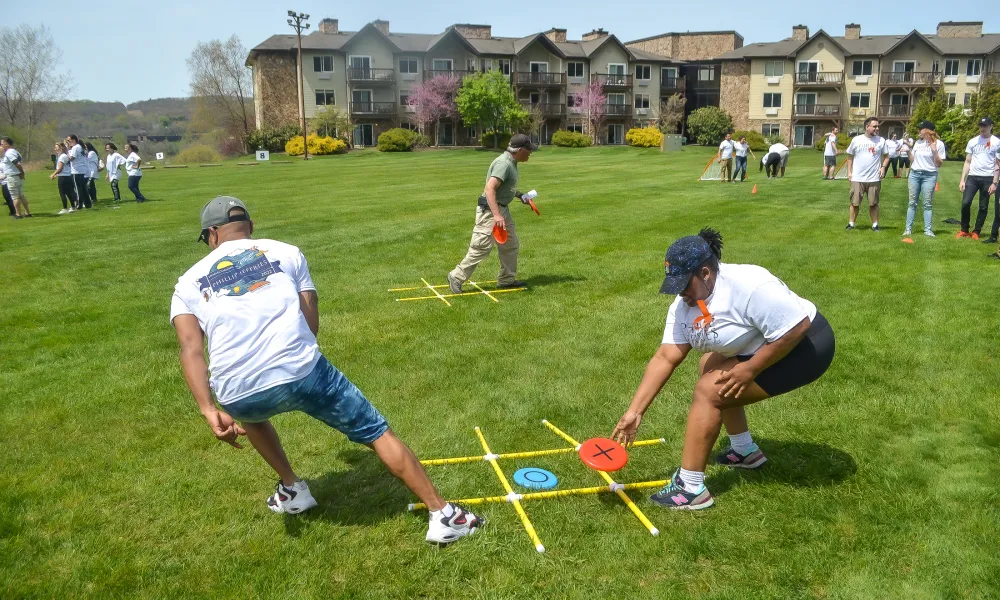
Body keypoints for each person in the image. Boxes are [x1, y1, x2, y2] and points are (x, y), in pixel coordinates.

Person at [171, 196, 485, 545]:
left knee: (253, 417)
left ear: (212, 234)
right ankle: (444, 515)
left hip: (236, 393)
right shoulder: (287, 251)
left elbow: (190, 348)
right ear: (250, 227)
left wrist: (208, 408)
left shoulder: (187, 282)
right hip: (304, 371)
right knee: (376, 431)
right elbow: (310, 313)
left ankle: (292, 488)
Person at [609, 229, 834, 510]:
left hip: (806, 345)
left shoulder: (750, 285)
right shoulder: (683, 306)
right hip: (769, 340)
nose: (681, 293)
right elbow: (666, 357)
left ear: (705, 273)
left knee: (709, 392)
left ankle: (691, 488)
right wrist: (635, 412)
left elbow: (797, 326)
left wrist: (751, 368)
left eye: (684, 284)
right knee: (709, 365)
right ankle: (745, 452)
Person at [447, 134, 537, 294]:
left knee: (510, 244)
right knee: (481, 247)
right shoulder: (504, 164)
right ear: (520, 150)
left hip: (502, 209)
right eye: (529, 150)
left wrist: (520, 196)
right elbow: (489, 189)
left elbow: (505, 186)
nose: (530, 153)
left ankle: (506, 280)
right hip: (490, 211)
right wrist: (496, 215)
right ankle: (456, 276)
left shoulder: (511, 162)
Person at [957, 117, 1000, 241]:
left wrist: (994, 182)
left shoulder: (996, 142)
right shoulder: (973, 141)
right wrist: (962, 180)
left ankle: (976, 231)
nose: (983, 128)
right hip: (973, 177)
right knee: (966, 203)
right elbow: (967, 161)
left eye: (985, 126)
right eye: (981, 125)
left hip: (988, 177)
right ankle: (964, 230)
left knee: (983, 206)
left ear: (991, 126)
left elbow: (998, 164)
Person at [845, 117, 888, 231]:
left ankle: (875, 225)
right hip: (857, 177)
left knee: (873, 203)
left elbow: (887, 156)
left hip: (874, 178)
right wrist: (849, 172)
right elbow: (850, 156)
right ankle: (851, 224)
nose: (877, 128)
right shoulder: (856, 140)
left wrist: (883, 167)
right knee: (855, 203)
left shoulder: (881, 140)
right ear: (867, 127)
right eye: (874, 126)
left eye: (878, 126)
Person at [904, 121, 945, 238]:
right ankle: (908, 229)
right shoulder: (918, 143)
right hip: (915, 174)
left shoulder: (939, 144)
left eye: (921, 129)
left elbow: (939, 164)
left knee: (927, 203)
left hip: (930, 176)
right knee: (912, 202)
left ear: (928, 131)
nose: (919, 131)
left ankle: (928, 230)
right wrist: (908, 151)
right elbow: (913, 160)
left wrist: (934, 151)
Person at [1, 137, 31, 218]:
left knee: (15, 197)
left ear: (7, 144)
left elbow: (17, 164)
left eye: (2, 143)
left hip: (12, 176)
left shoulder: (9, 153)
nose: (1, 145)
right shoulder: (15, 151)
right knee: (21, 195)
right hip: (17, 176)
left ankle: (18, 214)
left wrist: (22, 172)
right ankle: (27, 213)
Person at [49, 142, 77, 214]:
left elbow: (60, 168)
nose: (55, 149)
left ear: (61, 148)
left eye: (56, 147)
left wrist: (53, 174)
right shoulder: (63, 155)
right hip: (67, 176)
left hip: (63, 177)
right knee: (69, 192)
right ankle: (73, 207)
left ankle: (65, 208)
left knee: (62, 193)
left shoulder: (62, 156)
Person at [66, 135, 90, 209]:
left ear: (73, 140)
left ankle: (79, 204)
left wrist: (66, 152)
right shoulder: (80, 147)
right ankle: (88, 204)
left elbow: (71, 158)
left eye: (68, 141)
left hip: (77, 170)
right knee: (83, 188)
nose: (68, 142)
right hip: (82, 170)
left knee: (78, 188)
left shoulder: (75, 147)